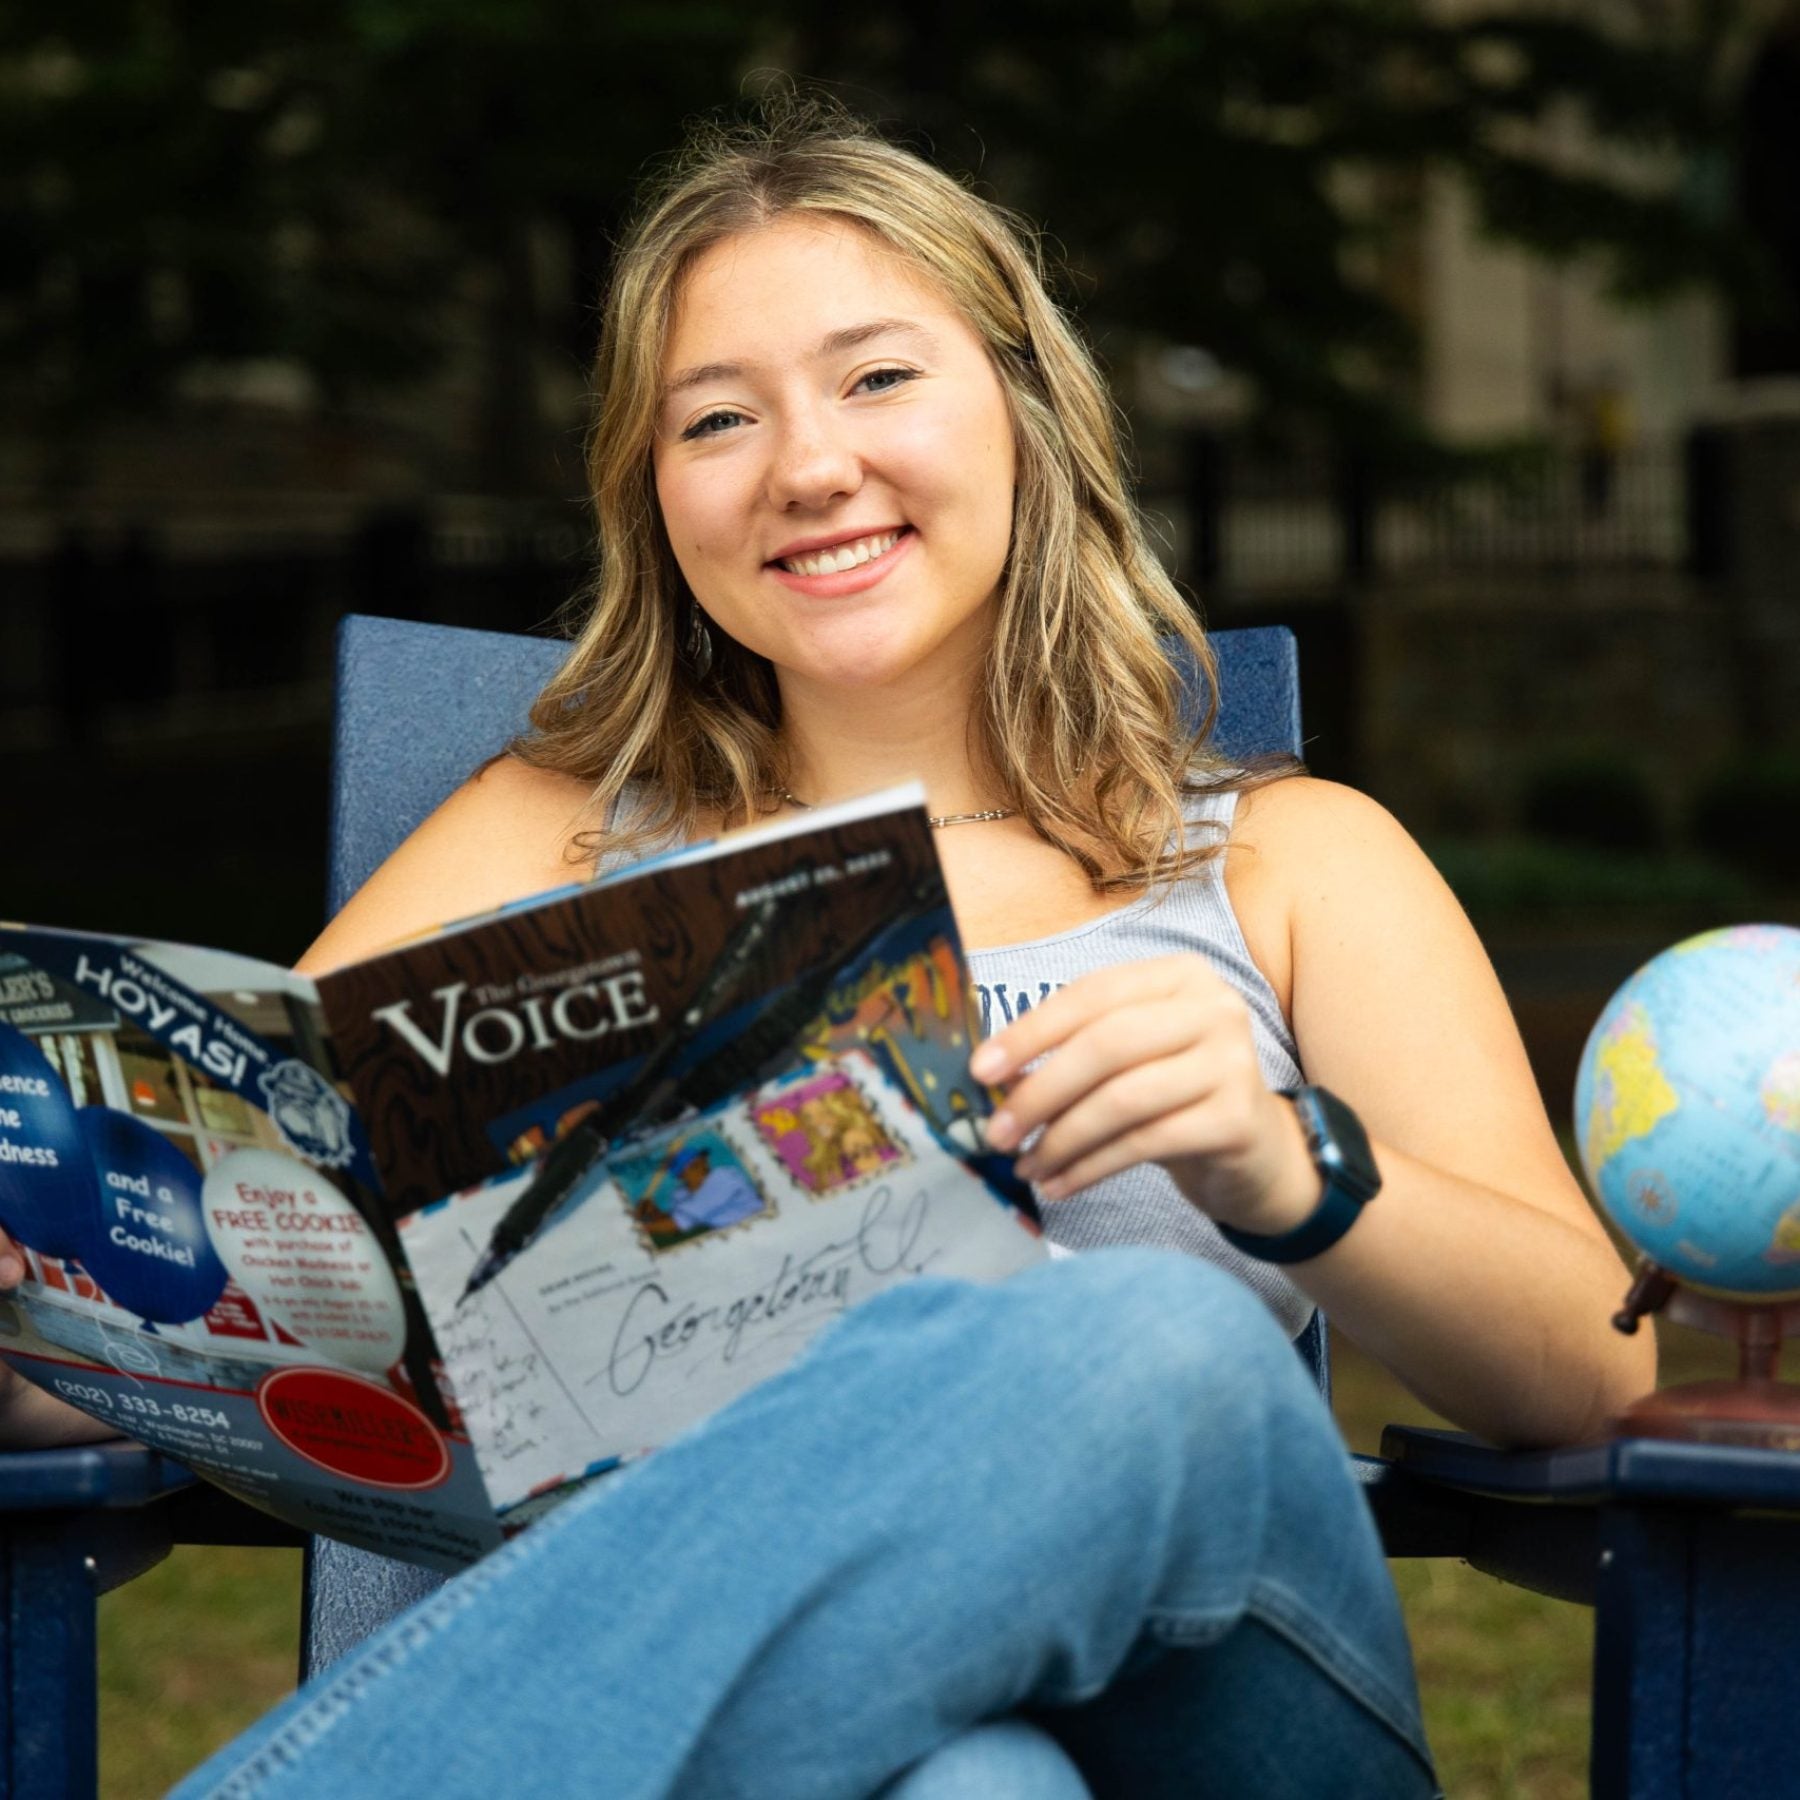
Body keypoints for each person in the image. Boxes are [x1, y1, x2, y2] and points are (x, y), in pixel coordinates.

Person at [0, 99, 1653, 1797]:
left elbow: (1595, 1377)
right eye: (717, 417)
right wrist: (43, 1304)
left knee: (1165, 1351)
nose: (806, 465)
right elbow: (232, 1296)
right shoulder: (543, 839)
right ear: (656, 497)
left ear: (1025, 410)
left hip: (1211, 1710)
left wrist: (1283, 1163)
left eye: (877, 378)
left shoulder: (1289, 861)